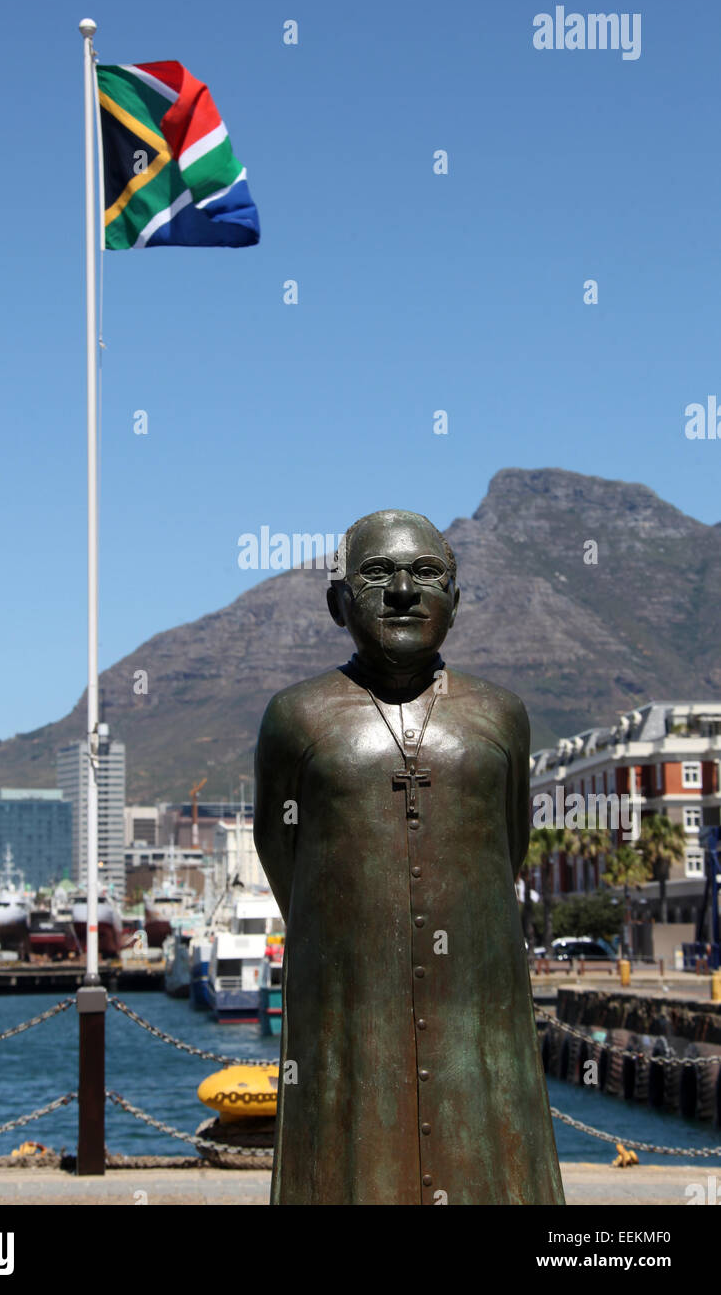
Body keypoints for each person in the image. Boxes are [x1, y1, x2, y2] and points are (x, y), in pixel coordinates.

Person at [254, 508, 565, 1205]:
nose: (402, 591)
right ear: (339, 602)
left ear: (455, 598)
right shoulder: (295, 716)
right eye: (377, 574)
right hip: (349, 999)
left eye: (426, 574)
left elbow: (508, 842)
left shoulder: (502, 715)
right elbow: (281, 849)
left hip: (477, 1000)